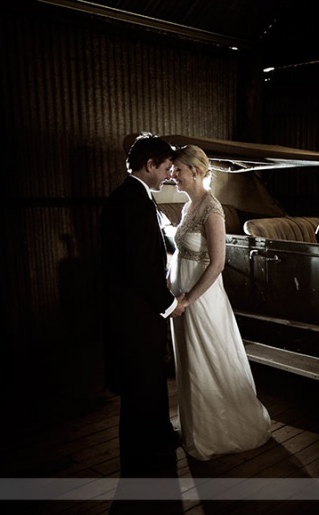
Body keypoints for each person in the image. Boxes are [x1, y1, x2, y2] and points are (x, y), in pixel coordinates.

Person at [168, 144, 272, 461]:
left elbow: (217, 264)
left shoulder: (212, 209)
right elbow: (181, 252)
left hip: (199, 299)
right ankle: (195, 425)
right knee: (187, 360)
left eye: (178, 170)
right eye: (172, 170)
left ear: (196, 171)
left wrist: (189, 298)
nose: (173, 176)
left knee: (206, 358)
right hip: (181, 297)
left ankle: (216, 431)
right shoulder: (188, 207)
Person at [101, 132, 187, 474]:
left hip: (132, 309)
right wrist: (170, 304)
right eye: (166, 167)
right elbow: (138, 268)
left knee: (146, 382)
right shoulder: (133, 202)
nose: (169, 173)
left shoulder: (129, 197)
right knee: (142, 385)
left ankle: (155, 442)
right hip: (135, 312)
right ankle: (144, 459)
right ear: (149, 165)